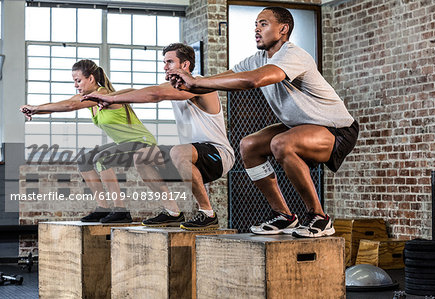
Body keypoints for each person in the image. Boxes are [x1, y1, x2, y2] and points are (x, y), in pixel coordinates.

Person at [168, 7, 359, 237]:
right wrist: (194, 82)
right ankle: (284, 216)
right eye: (255, 25)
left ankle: (319, 217)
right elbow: (225, 77)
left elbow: (253, 81)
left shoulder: (293, 55)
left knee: (281, 143)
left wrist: (195, 82)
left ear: (283, 29)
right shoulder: (257, 59)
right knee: (249, 146)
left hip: (336, 129)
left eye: (263, 24)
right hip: (299, 126)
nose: (257, 29)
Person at [83, 43, 235, 230]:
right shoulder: (173, 86)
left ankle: (208, 214)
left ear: (185, 65)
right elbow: (140, 90)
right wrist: (109, 96)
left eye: (170, 62)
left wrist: (113, 99)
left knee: (179, 152)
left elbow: (156, 94)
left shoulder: (199, 85)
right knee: (142, 156)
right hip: (192, 156)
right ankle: (172, 212)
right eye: (164, 62)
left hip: (218, 156)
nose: (164, 67)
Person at [20, 59, 156, 223]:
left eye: (78, 81)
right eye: (74, 81)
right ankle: (103, 208)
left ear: (91, 78)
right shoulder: (88, 98)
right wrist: (35, 110)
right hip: (125, 144)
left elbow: (70, 106)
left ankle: (121, 211)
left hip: (142, 142)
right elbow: (62, 104)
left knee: (102, 158)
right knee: (84, 160)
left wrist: (36, 109)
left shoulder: (103, 95)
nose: (76, 85)